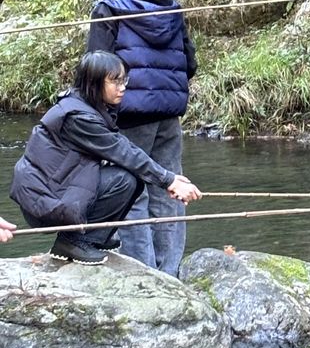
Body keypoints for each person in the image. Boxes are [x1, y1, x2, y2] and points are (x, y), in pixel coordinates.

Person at [10, 51, 201, 266]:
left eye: (124, 80)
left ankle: (93, 237)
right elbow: (123, 151)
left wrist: (168, 178)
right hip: (46, 201)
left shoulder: (87, 105)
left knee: (129, 178)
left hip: (53, 191)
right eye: (115, 82)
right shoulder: (78, 117)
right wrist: (168, 180)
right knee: (125, 179)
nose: (123, 87)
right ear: (94, 83)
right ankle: (73, 242)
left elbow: (123, 148)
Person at [86, 0, 196, 276]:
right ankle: (169, 271)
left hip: (128, 114)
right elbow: (190, 63)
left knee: (132, 191)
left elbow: (96, 66)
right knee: (171, 187)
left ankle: (145, 275)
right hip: (169, 114)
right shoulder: (171, 7)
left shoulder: (108, 8)